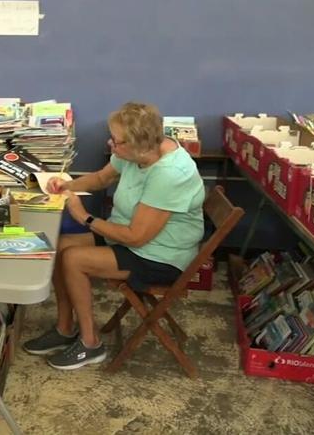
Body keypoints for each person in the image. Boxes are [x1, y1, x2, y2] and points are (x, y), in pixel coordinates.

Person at [23, 101, 205, 370]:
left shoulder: (169, 173)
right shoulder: (137, 152)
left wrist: (84, 217)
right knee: (58, 246)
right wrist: (66, 185)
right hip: (129, 238)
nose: (111, 144)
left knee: (73, 259)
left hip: (162, 256)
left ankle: (90, 343)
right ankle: (64, 328)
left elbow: (136, 237)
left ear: (139, 145)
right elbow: (100, 179)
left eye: (117, 142)